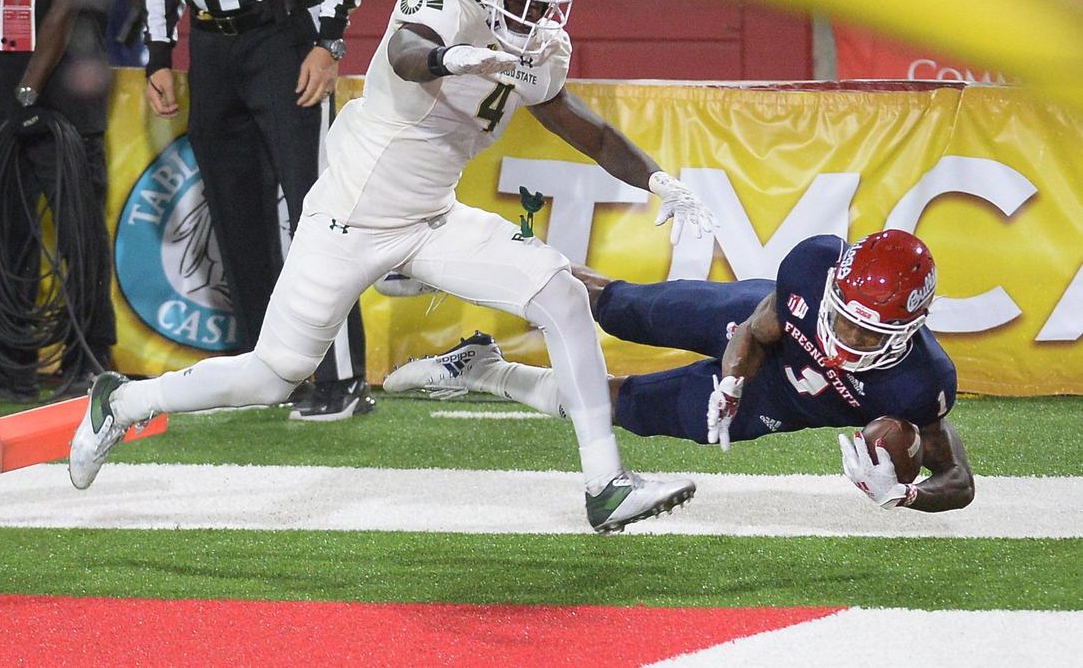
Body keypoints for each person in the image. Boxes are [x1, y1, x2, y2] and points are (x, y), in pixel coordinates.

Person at [70, 0, 717, 534]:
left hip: (434, 218)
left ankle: (606, 484)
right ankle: (123, 404)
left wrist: (658, 178)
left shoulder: (540, 46)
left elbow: (587, 128)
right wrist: (465, 60)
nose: (533, 6)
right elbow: (411, 54)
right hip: (350, 219)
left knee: (563, 295)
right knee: (273, 375)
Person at [384, 230, 976, 513]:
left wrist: (904, 494)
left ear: (911, 325)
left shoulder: (922, 380)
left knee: (625, 406)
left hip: (784, 401)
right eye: (842, 318)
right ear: (834, 287)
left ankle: (485, 371)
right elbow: (755, 330)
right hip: (749, 340)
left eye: (868, 332)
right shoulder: (814, 264)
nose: (847, 337)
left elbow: (959, 481)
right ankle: (454, 257)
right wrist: (731, 380)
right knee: (622, 306)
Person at [142, 0, 370, 420]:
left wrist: (328, 41)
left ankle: (341, 378)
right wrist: (159, 54)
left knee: (316, 208)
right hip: (208, 44)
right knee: (233, 215)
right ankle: (267, 374)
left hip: (280, 34)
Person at [0, 0, 116, 399]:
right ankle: (5, 369)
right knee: (4, 239)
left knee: (80, 238)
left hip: (62, 106)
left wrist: (28, 91)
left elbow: (66, 7)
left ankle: (89, 363)